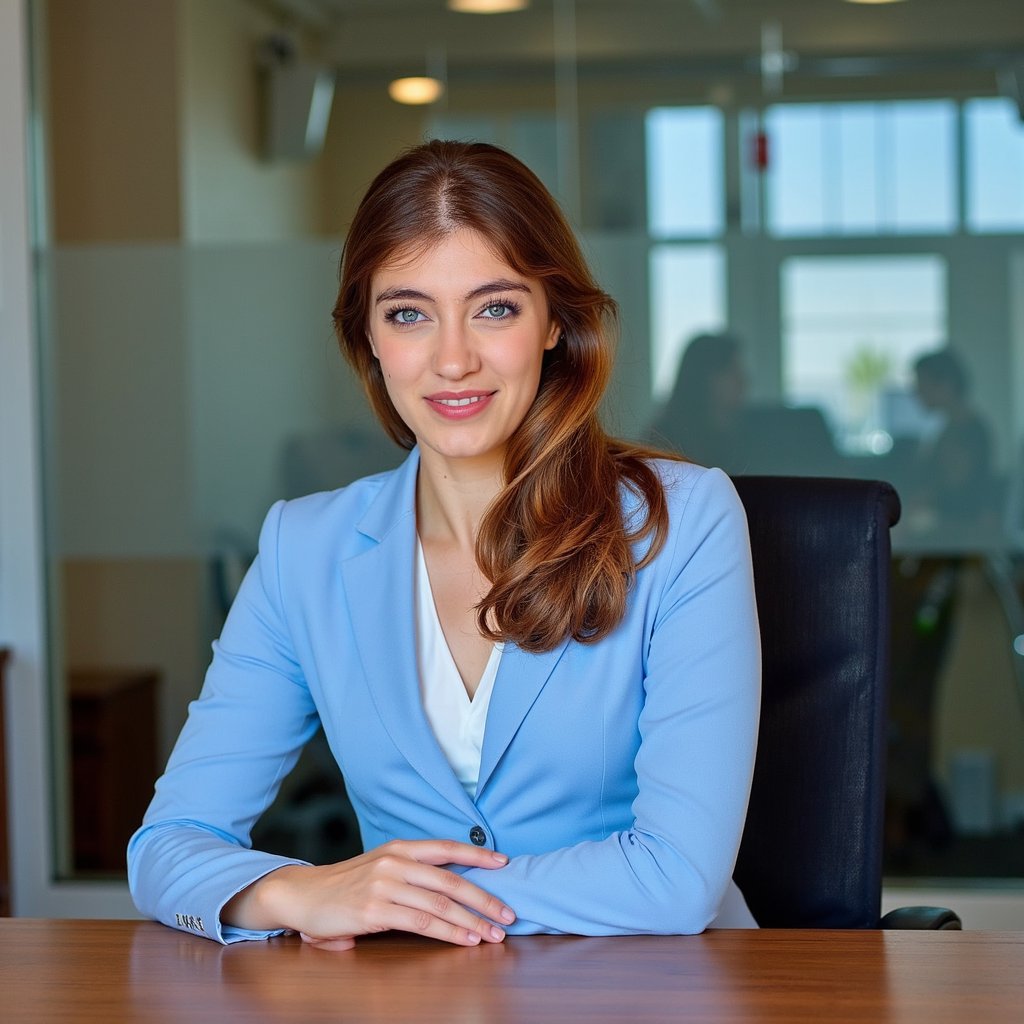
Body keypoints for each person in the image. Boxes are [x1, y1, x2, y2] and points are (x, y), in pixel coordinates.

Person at [128, 140, 761, 948]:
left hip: (652, 991)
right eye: (408, 313)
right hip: (415, 998)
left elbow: (675, 878)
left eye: (495, 307)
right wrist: (298, 893)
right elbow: (165, 850)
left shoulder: (684, 523)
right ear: (370, 338)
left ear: (554, 323)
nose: (453, 359)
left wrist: (400, 898)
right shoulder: (305, 550)